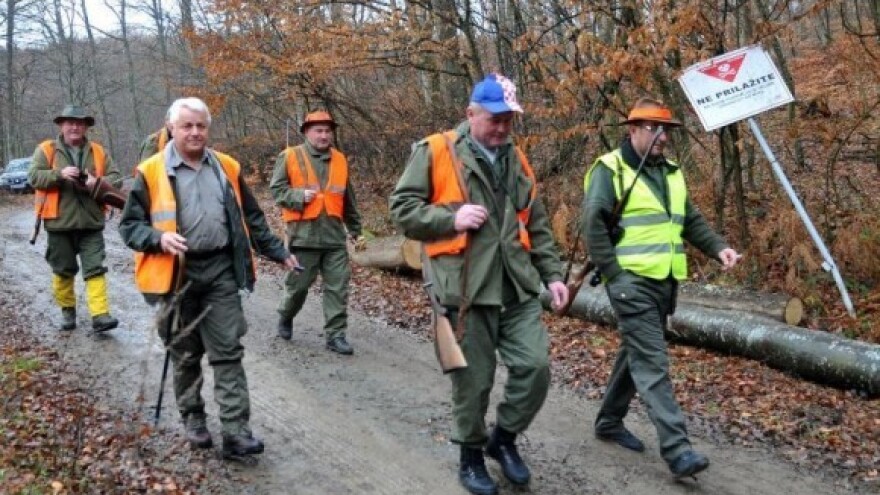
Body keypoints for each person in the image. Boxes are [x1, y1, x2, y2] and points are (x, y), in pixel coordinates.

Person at [390, 74, 569, 495]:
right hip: (464, 288)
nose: (503, 128)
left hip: (515, 284)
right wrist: (450, 218)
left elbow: (535, 224)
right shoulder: (435, 150)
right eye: (494, 119)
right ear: (471, 114)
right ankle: (470, 455)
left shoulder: (516, 158)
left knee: (536, 368)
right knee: (473, 380)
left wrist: (553, 275)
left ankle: (502, 439)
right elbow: (402, 209)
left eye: (509, 120)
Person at [119, 97, 300, 459]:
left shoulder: (227, 167)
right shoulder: (150, 171)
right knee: (186, 355)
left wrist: (278, 252)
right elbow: (129, 226)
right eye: (187, 125)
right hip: (175, 275)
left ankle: (236, 432)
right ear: (171, 127)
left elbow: (252, 218)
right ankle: (194, 421)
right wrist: (158, 238)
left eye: (201, 125)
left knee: (228, 351)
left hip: (219, 271)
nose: (195, 132)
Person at [582, 97, 741, 478]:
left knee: (635, 352)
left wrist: (719, 248)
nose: (661, 137)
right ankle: (678, 450)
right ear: (632, 129)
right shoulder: (611, 169)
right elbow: (592, 225)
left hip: (664, 283)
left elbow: (689, 219)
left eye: (665, 129)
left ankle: (608, 421)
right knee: (652, 363)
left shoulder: (671, 172)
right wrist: (615, 276)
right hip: (630, 283)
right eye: (653, 128)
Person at [269, 110, 363, 355]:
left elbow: (347, 198)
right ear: (306, 133)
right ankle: (286, 316)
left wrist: (356, 229)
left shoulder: (340, 160)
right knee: (298, 288)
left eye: (327, 131)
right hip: (303, 237)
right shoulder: (289, 156)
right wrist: (298, 196)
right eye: (318, 131)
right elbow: (277, 190)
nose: (324, 135)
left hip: (334, 239)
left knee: (338, 288)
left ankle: (336, 335)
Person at [27, 104, 123, 332]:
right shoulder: (46, 150)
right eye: (70, 122)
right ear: (61, 125)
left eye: (80, 123)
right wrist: (58, 175)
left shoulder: (98, 151)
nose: (75, 127)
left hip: (91, 223)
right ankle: (67, 311)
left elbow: (116, 179)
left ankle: (100, 315)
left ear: (86, 127)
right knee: (63, 270)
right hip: (58, 223)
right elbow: (33, 176)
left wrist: (95, 182)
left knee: (95, 269)